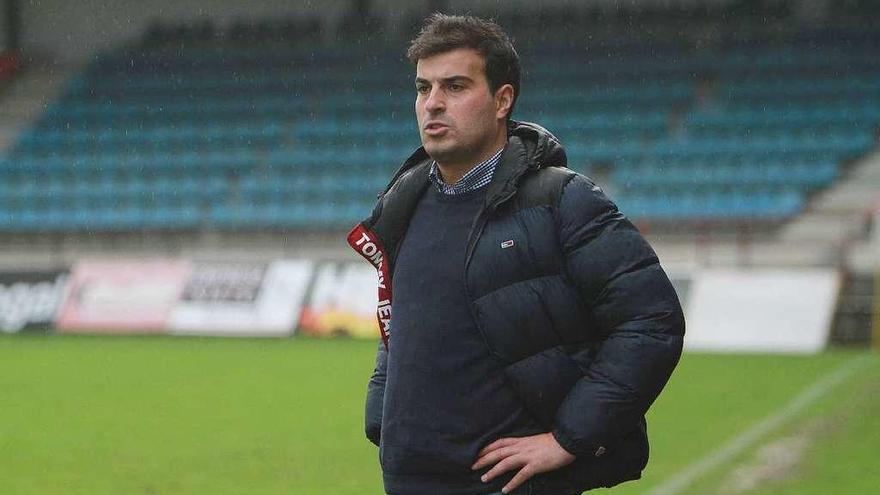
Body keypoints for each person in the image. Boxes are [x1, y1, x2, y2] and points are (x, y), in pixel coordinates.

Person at [346, 13, 685, 495]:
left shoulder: (561, 200)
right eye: (423, 88)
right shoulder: (405, 204)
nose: (433, 104)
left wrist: (569, 438)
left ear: (503, 100)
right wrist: (383, 416)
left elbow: (652, 321)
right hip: (409, 479)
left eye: (455, 86)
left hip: (509, 484)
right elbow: (404, 323)